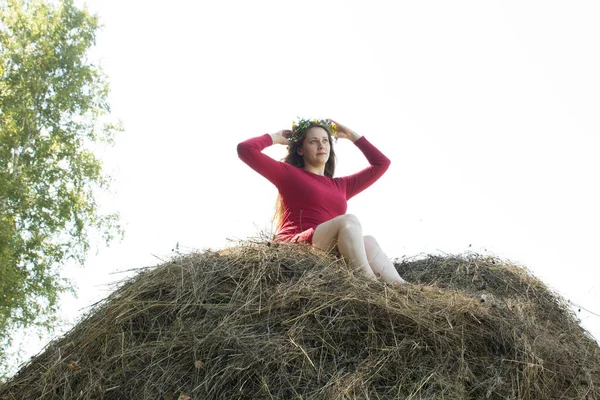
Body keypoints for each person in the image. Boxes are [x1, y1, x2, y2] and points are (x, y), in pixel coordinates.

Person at [237, 118, 405, 285]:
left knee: (368, 241)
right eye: (313, 141)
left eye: (325, 140)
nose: (321, 145)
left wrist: (351, 135)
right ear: (301, 150)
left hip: (326, 247)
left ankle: (404, 290)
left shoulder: (341, 185)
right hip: (295, 245)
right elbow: (245, 149)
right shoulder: (288, 174)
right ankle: (371, 285)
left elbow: (382, 163)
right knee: (349, 220)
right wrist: (275, 137)